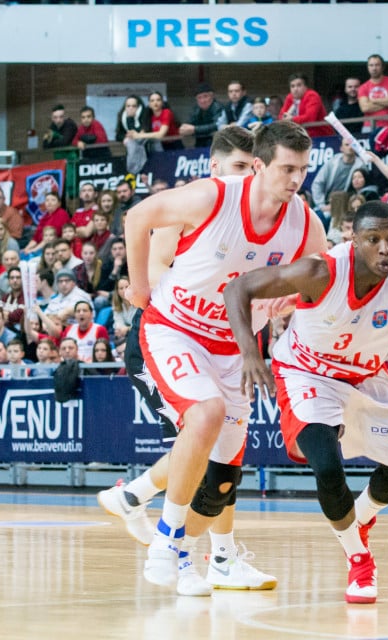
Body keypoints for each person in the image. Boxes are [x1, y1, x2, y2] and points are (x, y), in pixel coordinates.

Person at [115, 121, 327, 596]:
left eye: (302, 170)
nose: (295, 179)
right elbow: (137, 218)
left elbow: (321, 278)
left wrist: (286, 298)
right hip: (177, 330)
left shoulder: (305, 222)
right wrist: (142, 287)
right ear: (259, 165)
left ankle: (187, 550)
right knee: (205, 414)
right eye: (286, 168)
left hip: (234, 347)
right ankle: (166, 542)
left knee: (225, 469)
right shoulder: (213, 196)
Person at [223, 200, 388, 604]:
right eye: (374, 239)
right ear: (353, 240)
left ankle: (361, 518)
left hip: (365, 375)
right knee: (327, 466)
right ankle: (359, 558)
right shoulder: (320, 271)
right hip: (308, 372)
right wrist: (251, 353)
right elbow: (239, 287)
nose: (385, 249)